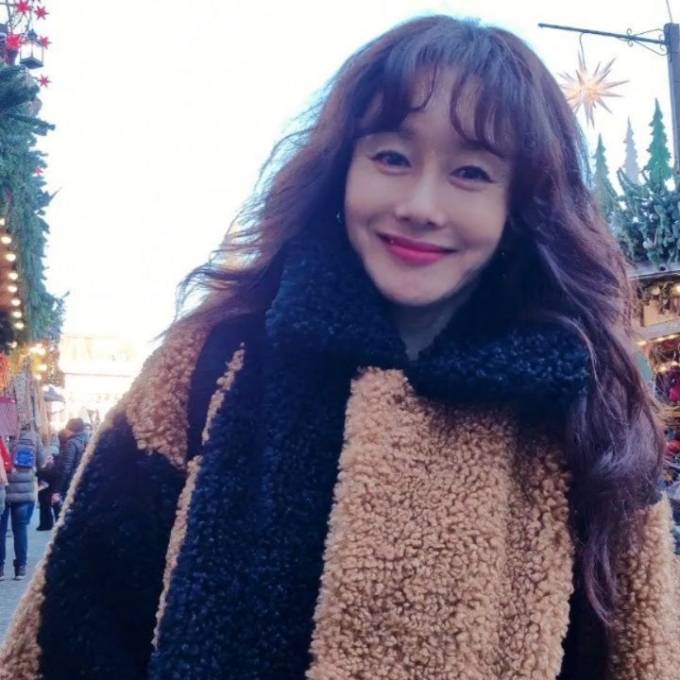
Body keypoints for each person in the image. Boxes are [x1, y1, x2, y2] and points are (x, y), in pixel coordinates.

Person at [1, 15, 679, 679]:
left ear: (523, 202)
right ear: (342, 166)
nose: (420, 204)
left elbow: (644, 652)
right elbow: (69, 629)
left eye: (472, 172)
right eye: (392, 157)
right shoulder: (210, 363)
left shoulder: (588, 405)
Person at [0, 425, 40, 581]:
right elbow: (42, 461)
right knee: (20, 530)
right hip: (23, 492)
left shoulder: (2, 437)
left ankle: (0, 569)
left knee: (1, 531)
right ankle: (21, 568)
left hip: (3, 489)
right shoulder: (32, 438)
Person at [49, 418, 88, 512]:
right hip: (81, 483)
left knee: (62, 512)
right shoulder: (86, 441)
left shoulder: (72, 443)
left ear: (71, 429)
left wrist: (57, 491)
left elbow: (66, 468)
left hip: (68, 484)